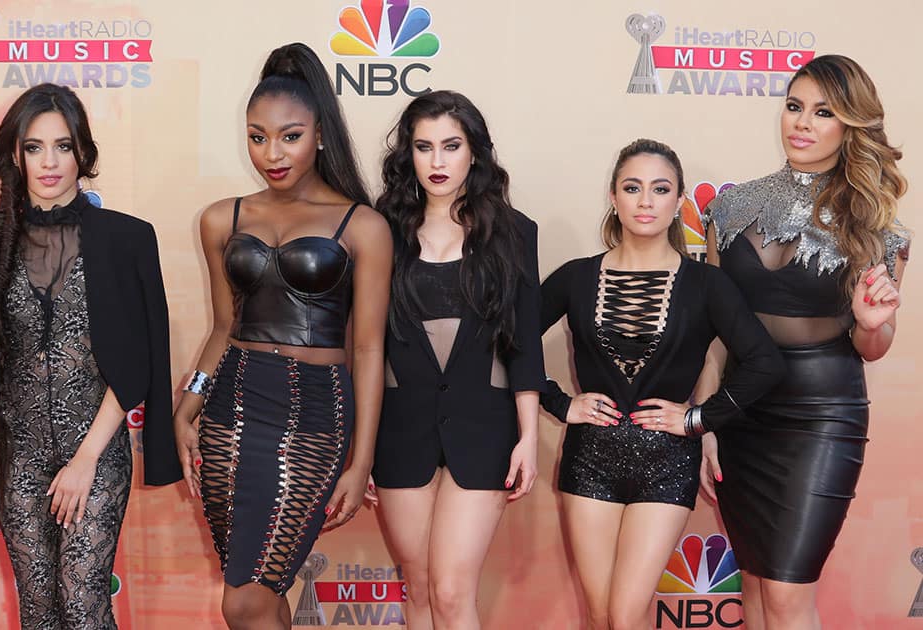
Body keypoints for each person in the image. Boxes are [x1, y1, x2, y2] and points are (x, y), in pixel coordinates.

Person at [0, 83, 179, 629]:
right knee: (40, 614)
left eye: (63, 146)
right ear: (14, 155)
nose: (49, 162)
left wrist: (86, 460)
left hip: (94, 451)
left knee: (83, 608)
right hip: (16, 459)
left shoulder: (127, 239)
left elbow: (136, 362)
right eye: (34, 147)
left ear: (83, 153)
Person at [172, 43, 392, 630]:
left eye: (289, 136)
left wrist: (361, 456)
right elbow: (223, 328)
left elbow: (368, 348)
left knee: (245, 598)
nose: (272, 153)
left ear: (320, 134)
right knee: (257, 596)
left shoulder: (362, 226)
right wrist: (188, 405)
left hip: (316, 411)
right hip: (231, 409)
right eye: (257, 136)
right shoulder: (222, 218)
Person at [702, 54, 910, 630]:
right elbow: (717, 333)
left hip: (822, 413)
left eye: (823, 112)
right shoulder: (729, 206)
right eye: (795, 107)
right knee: (757, 589)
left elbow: (874, 347)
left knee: (791, 596)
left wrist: (871, 323)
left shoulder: (875, 223)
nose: (802, 122)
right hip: (743, 409)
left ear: (850, 125)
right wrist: (708, 418)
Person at [540, 139, 783, 630]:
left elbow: (765, 362)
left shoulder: (707, 285)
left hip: (667, 461)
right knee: (601, 614)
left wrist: (699, 419)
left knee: (627, 615)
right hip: (590, 456)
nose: (646, 201)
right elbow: (508, 345)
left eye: (660, 189)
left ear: (679, 201)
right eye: (633, 187)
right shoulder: (575, 278)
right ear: (613, 196)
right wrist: (560, 404)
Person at [369, 90, 544, 630]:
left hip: (483, 429)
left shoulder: (515, 232)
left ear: (475, 153)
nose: (438, 162)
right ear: (408, 156)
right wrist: (358, 448)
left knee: (450, 591)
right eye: (424, 147)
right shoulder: (380, 229)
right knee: (418, 589)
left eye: (451, 146)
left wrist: (529, 435)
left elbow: (525, 344)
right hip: (399, 430)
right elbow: (363, 344)